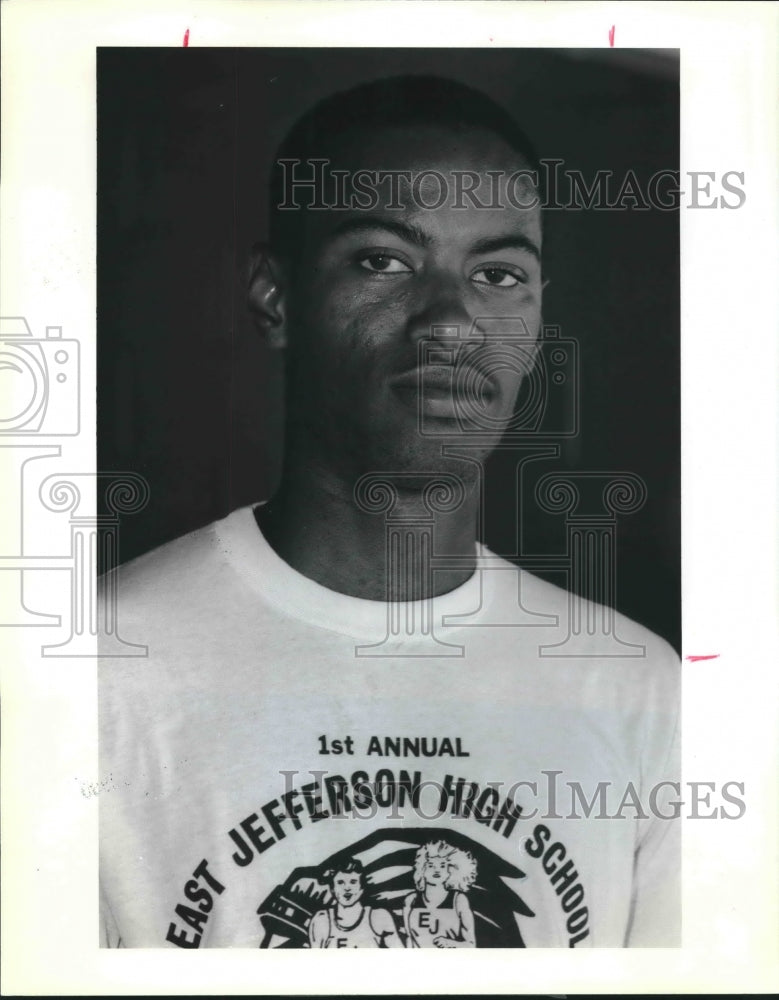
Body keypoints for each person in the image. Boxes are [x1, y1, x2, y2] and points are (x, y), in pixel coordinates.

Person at [99, 74, 680, 949]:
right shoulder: (92, 668)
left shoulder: (637, 687)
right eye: (383, 261)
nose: (450, 323)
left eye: (496, 274)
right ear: (275, 297)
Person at [308, 858, 402, 948]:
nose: (347, 888)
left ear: (362, 887)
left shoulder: (379, 917)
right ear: (332, 888)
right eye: (340, 882)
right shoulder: (322, 920)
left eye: (353, 882)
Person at [403, 841, 477, 948]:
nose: (436, 870)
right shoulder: (411, 900)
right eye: (431, 865)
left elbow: (471, 945)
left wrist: (449, 943)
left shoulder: (458, 900)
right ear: (422, 869)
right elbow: (409, 938)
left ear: (451, 870)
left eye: (442, 866)